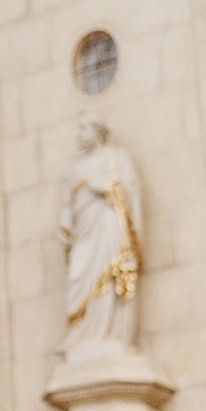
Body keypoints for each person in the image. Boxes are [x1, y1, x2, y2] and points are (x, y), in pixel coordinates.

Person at [59, 112, 143, 355]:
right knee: (79, 276)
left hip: (110, 228)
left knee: (111, 276)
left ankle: (113, 333)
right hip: (84, 233)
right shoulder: (74, 169)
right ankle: (83, 335)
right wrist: (64, 227)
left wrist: (108, 186)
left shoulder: (117, 158)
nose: (80, 134)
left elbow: (130, 189)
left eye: (85, 128)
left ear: (97, 131)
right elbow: (67, 205)